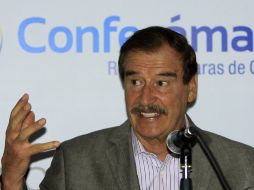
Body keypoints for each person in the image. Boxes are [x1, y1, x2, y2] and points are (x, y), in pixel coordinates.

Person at [1, 26, 254, 190]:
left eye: (162, 83)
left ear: (191, 88)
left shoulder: (242, 166)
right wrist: (11, 178)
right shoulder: (77, 161)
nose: (145, 98)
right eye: (135, 82)